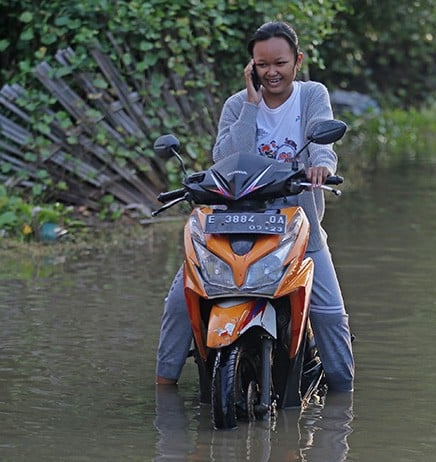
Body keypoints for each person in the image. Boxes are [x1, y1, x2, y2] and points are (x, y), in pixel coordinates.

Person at [155, 21, 355, 393]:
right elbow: (225, 158)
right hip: (234, 222)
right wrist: (251, 104)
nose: (271, 72)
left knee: (329, 315)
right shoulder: (237, 103)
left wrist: (322, 166)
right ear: (251, 66)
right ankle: (163, 391)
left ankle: (342, 403)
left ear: (298, 61)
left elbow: (323, 140)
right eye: (262, 65)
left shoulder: (312, 95)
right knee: (181, 303)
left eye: (279, 63)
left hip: (297, 224)